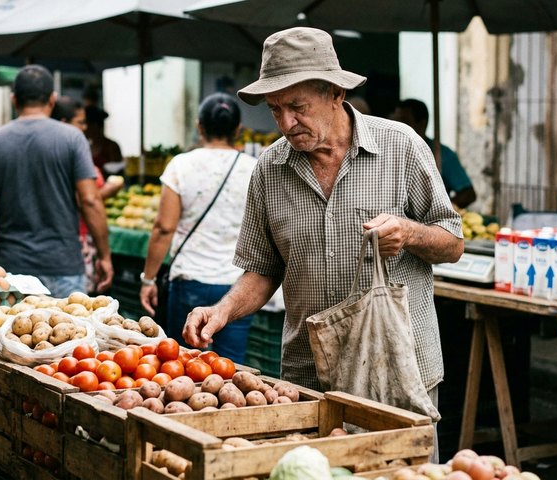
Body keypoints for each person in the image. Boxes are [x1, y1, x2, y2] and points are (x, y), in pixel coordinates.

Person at [182, 27, 464, 460]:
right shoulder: (269, 170)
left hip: (398, 370)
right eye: (276, 110)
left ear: (335, 93)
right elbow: (264, 269)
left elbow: (452, 243)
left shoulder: (401, 147)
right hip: (310, 379)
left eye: (297, 107)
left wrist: (408, 232)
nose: (286, 123)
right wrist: (222, 310)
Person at [0, 65, 113, 298]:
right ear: (52, 100)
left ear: (14, 100)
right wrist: (104, 256)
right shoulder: (73, 138)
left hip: (12, 268)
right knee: (70, 331)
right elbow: (91, 200)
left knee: (12, 333)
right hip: (63, 265)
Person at [140, 93, 258, 363]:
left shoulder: (181, 165)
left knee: (180, 366)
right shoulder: (254, 169)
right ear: (238, 129)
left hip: (190, 280)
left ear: (199, 126)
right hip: (238, 286)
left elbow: (163, 228)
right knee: (231, 369)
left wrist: (148, 279)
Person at [52, 96, 124, 293]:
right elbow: (87, 199)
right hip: (72, 238)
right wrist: (105, 256)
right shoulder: (72, 149)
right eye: (81, 122)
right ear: (65, 123)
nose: (85, 128)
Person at [391, 99, 477, 210]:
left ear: (422, 124)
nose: (398, 126)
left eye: (404, 121)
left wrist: (440, 210)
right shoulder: (388, 150)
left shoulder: (442, 154)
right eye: (395, 121)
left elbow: (468, 194)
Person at [85, 105, 123, 177]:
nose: (84, 128)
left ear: (95, 126)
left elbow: (117, 173)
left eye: (87, 124)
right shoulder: (85, 146)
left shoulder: (111, 146)